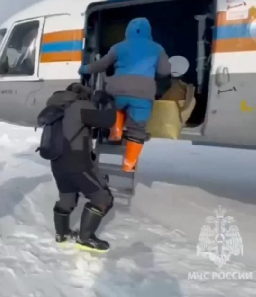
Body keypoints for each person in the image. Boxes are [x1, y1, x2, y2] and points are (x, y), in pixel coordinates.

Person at [78, 17, 171, 172]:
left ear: (128, 31)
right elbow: (164, 71)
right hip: (142, 93)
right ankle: (129, 163)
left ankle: (116, 130)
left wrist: (85, 69)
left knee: (116, 106)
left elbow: (102, 65)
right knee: (137, 128)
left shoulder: (118, 47)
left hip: (117, 90)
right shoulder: (157, 48)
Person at [39, 83, 117, 252]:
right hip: (78, 164)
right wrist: (109, 102)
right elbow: (108, 121)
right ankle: (86, 238)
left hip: (57, 164)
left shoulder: (55, 107)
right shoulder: (80, 106)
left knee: (67, 199)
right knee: (102, 198)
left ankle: (62, 233)